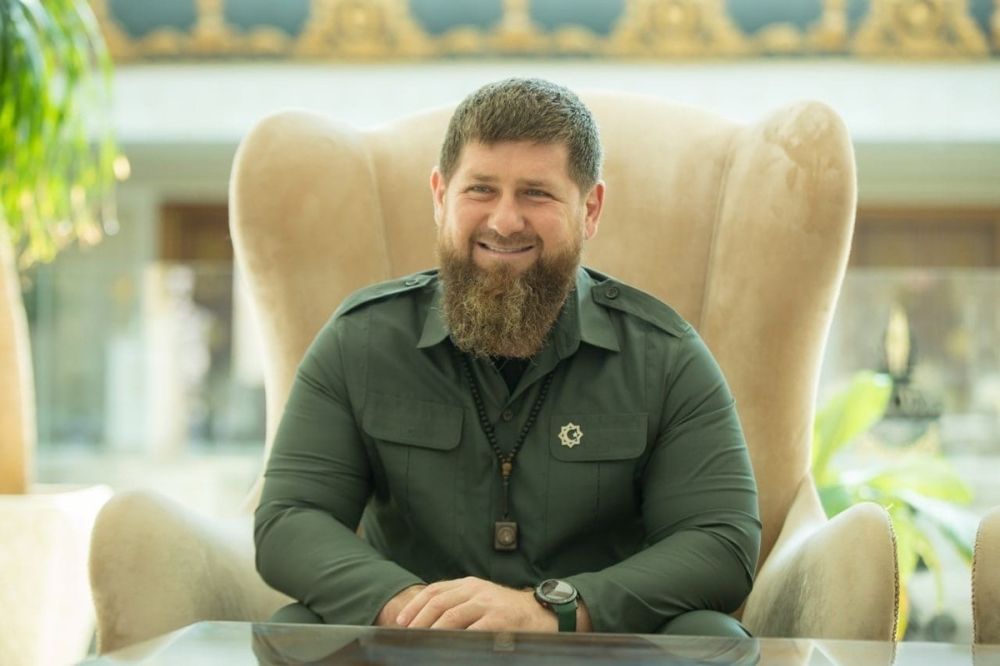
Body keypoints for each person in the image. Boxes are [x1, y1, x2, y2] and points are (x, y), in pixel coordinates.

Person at [254, 78, 761, 637]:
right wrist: (410, 607)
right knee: (295, 634)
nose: (504, 221)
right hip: (410, 648)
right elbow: (289, 519)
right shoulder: (361, 340)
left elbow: (721, 543)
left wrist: (551, 610)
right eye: (481, 190)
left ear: (590, 209)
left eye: (536, 194)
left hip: (595, 649)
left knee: (711, 638)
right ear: (440, 195)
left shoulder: (665, 357)